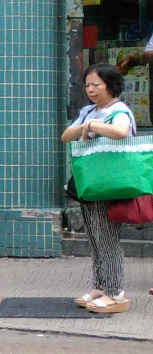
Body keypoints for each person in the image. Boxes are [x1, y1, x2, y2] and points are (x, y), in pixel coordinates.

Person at [63, 63, 135, 315]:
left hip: (109, 184)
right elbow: (66, 136)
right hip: (90, 182)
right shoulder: (87, 111)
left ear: (110, 85)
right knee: (95, 239)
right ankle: (100, 286)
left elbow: (121, 131)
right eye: (87, 85)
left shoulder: (119, 110)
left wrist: (91, 126)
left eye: (96, 85)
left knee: (107, 239)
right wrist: (85, 125)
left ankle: (116, 293)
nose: (91, 90)